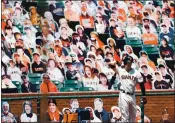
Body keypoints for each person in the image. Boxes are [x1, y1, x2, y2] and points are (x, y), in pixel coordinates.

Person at [116, 55, 146, 122]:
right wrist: (117, 62)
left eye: (130, 62)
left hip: (132, 94)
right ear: (125, 63)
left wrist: (143, 95)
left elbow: (141, 84)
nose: (128, 64)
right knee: (125, 117)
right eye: (127, 62)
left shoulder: (136, 72)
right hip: (123, 94)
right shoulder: (120, 70)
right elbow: (111, 64)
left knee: (133, 116)